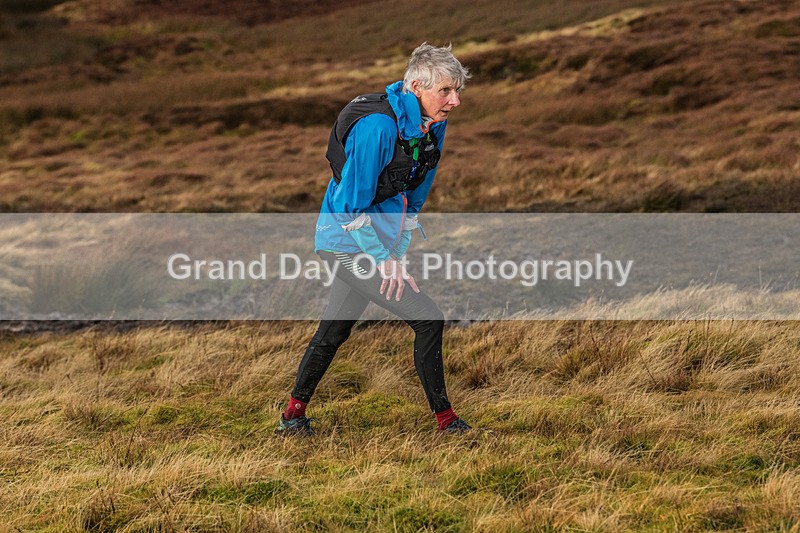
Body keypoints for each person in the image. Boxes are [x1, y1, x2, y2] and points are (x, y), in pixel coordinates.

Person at [276, 43, 472, 436]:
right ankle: (446, 422)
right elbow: (349, 205)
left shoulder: (432, 122)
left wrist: (395, 253)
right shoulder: (377, 128)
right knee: (428, 318)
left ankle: (292, 417)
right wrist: (384, 261)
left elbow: (415, 195)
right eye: (446, 91)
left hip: (377, 241)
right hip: (343, 241)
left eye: (457, 91)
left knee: (334, 330)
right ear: (416, 86)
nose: (454, 101)